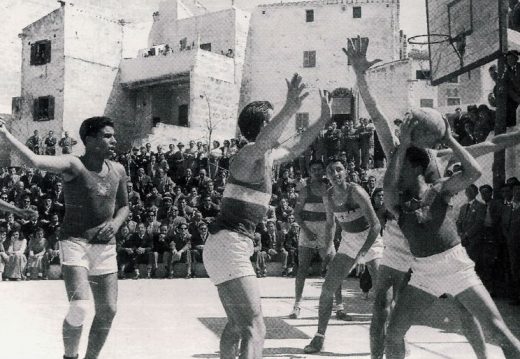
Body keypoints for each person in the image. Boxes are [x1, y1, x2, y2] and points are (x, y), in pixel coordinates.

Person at [345, 35, 520, 359]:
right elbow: (377, 114)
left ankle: (483, 355)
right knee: (383, 303)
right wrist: (360, 75)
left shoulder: (438, 159)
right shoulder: (397, 154)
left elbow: (492, 145)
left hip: (440, 242)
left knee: (465, 309)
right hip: (402, 233)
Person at [203, 74, 331, 359]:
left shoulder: (267, 158)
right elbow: (263, 144)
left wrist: (323, 119)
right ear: (264, 127)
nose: (280, 126)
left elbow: (298, 146)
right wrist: (290, 107)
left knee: (237, 325)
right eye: (274, 121)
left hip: (226, 246)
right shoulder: (247, 153)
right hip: (229, 244)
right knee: (255, 328)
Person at [383, 117, 520, 359]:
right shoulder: (397, 203)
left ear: (415, 168)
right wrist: (402, 146)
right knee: (393, 333)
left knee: (500, 333)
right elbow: (389, 185)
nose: (393, 170)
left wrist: (449, 138)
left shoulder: (440, 188)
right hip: (423, 273)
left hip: (456, 266)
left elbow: (474, 172)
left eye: (400, 165)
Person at [0, 116, 129, 359]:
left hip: (105, 247)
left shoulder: (119, 170)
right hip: (75, 243)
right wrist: (6, 135)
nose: (114, 140)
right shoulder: (73, 165)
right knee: (79, 307)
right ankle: (70, 356)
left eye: (113, 135)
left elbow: (124, 207)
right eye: (107, 136)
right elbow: (35, 161)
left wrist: (115, 224)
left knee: (108, 310)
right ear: (90, 140)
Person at [304, 159, 382, 354]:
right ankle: (319, 337)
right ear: (327, 176)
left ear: (346, 172)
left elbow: (376, 225)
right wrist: (328, 246)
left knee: (382, 291)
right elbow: (331, 224)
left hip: (371, 240)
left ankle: (394, 336)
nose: (335, 174)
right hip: (348, 241)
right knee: (327, 289)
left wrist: (363, 255)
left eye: (339, 170)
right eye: (331, 171)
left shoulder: (356, 192)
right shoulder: (328, 196)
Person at [290, 159, 340, 319]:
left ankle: (340, 307)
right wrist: (306, 230)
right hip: (308, 232)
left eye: (320, 169)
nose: (317, 172)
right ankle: (296, 306)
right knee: (302, 269)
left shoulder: (330, 190)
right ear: (310, 172)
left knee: (334, 269)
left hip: (326, 231)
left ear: (324, 171)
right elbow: (296, 214)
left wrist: (330, 238)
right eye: (314, 170)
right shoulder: (305, 191)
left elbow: (334, 217)